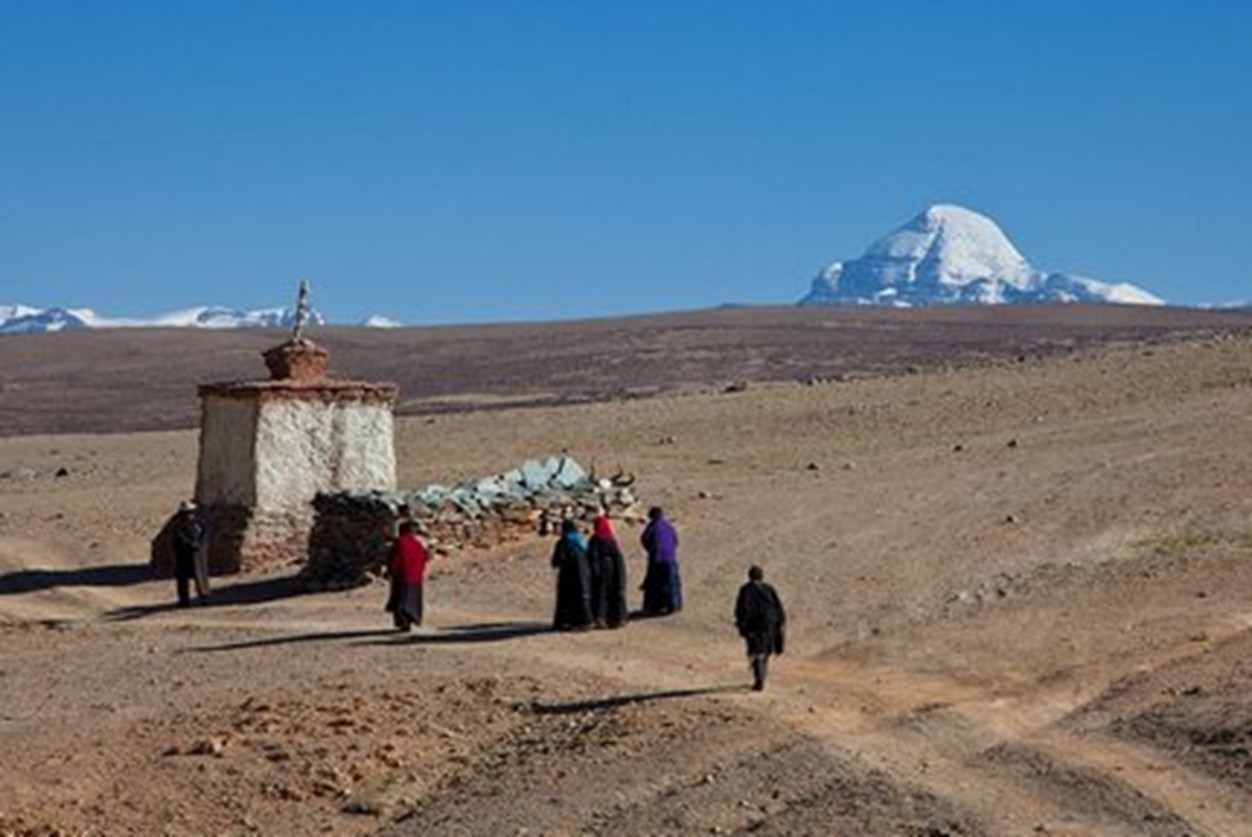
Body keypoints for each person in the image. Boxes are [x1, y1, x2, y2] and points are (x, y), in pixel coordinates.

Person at [734, 565, 786, 691]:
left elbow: (741, 610)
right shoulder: (769, 589)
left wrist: (742, 626)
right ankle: (761, 677)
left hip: (754, 627)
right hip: (769, 626)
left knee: (756, 653)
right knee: (764, 653)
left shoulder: (745, 590)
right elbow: (779, 609)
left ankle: (759, 679)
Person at [385, 521, 429, 631]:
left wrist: (390, 571)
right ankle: (410, 620)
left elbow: (395, 558)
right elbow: (424, 557)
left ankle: (403, 622)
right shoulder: (419, 543)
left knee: (401, 600)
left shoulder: (399, 542)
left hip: (401, 576)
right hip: (416, 577)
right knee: (412, 600)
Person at [550, 519, 593, 631]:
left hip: (568, 576)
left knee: (567, 600)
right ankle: (584, 621)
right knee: (582, 597)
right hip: (584, 574)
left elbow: (556, 561)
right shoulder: (581, 542)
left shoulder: (563, 543)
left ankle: (567, 622)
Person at [587, 513, 628, 629]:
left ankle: (601, 618)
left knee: (600, 594)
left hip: (601, 569)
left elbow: (593, 556)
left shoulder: (595, 540)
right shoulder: (611, 539)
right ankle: (616, 618)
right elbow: (617, 556)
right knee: (613, 592)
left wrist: (594, 572)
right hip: (613, 569)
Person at [640, 506, 682, 616]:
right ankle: (673, 605)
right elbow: (675, 540)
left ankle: (654, 607)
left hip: (657, 558)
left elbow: (644, 539)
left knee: (654, 583)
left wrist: (651, 550)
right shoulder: (669, 526)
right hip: (670, 558)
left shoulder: (652, 527)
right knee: (671, 582)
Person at [172, 500, 204, 608]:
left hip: (194, 556)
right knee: (183, 580)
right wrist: (191, 545)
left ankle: (202, 598)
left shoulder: (196, 526)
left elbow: (201, 537)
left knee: (199, 578)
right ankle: (184, 601)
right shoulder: (179, 527)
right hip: (183, 556)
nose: (190, 515)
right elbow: (179, 540)